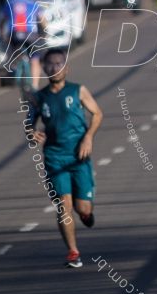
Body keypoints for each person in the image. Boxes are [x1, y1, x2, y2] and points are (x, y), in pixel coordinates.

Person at [29, 48, 104, 268]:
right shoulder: (39, 98)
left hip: (79, 155)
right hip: (54, 157)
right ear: (44, 69)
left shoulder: (78, 91)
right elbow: (29, 123)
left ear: (66, 67)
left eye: (59, 63)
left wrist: (88, 137)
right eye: (50, 64)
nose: (55, 67)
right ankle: (73, 252)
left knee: (83, 208)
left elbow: (97, 114)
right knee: (63, 204)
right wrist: (31, 133)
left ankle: (86, 215)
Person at [0, 0, 48, 90]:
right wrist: (44, 32)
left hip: (15, 34)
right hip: (30, 34)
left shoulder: (9, 3)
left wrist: (2, 32)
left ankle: (14, 68)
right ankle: (35, 86)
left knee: (11, 54)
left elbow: (2, 19)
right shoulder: (33, 3)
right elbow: (42, 20)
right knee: (35, 60)